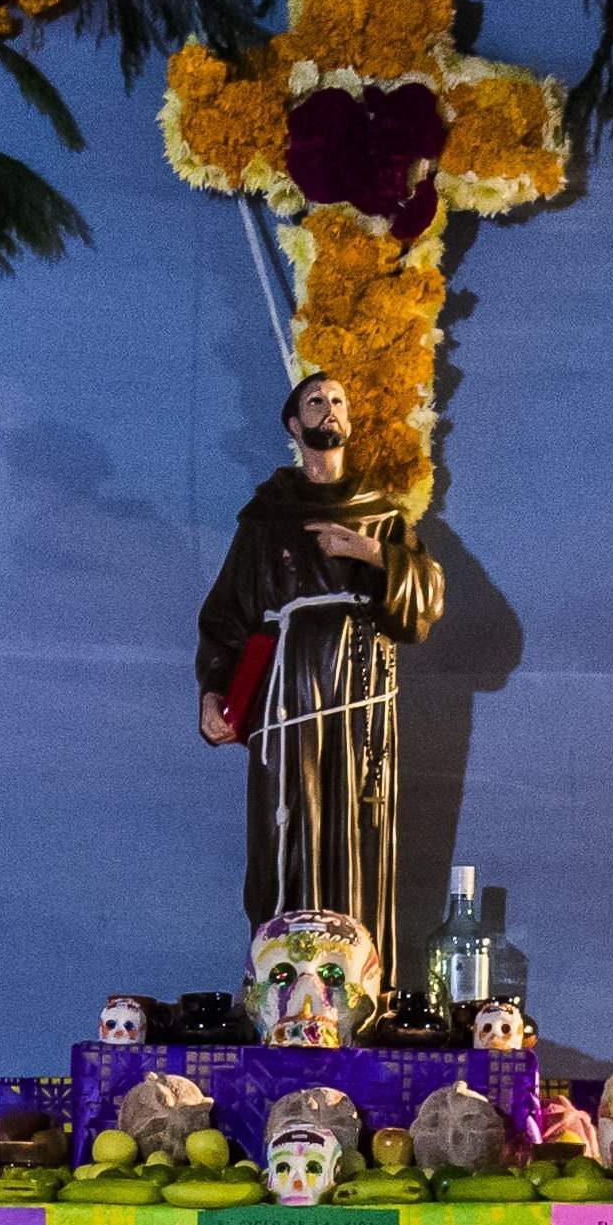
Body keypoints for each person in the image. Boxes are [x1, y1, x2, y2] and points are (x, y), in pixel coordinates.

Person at [194, 373, 446, 965]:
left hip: (361, 690)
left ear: (350, 422)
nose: (329, 410)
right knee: (287, 828)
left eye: (338, 402)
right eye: (316, 401)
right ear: (293, 424)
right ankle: (279, 977)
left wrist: (366, 551)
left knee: (357, 827)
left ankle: (358, 981)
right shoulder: (264, 518)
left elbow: (426, 603)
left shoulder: (380, 516)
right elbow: (226, 615)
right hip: (290, 690)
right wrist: (212, 692)